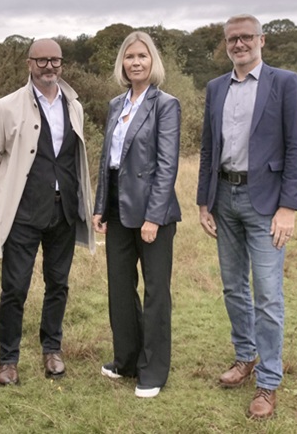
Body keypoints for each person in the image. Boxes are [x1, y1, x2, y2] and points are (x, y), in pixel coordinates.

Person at [196, 14, 297, 419]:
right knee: (232, 288)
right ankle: (245, 357)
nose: (239, 44)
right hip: (223, 198)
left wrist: (288, 207)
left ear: (261, 40)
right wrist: (204, 202)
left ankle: (269, 380)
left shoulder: (285, 83)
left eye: (246, 37)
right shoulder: (215, 88)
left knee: (267, 294)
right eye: (232, 39)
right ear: (225, 44)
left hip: (267, 204)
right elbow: (209, 148)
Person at [0, 38, 95, 386]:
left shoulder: (74, 105)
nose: (49, 67)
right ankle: (8, 360)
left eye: (55, 61)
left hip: (64, 212)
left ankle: (52, 350)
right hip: (24, 215)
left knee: (58, 284)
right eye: (42, 60)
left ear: (62, 64)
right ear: (29, 63)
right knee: (15, 288)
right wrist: (14, 190)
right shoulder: (5, 107)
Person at [92, 31, 181, 398]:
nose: (136, 63)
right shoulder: (116, 104)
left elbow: (167, 164)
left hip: (151, 213)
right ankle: (126, 360)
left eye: (142, 56)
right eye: (129, 57)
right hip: (117, 207)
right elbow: (107, 161)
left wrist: (153, 217)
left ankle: (154, 370)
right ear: (122, 64)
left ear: (152, 61)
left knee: (156, 291)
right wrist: (100, 206)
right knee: (120, 288)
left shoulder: (166, 104)